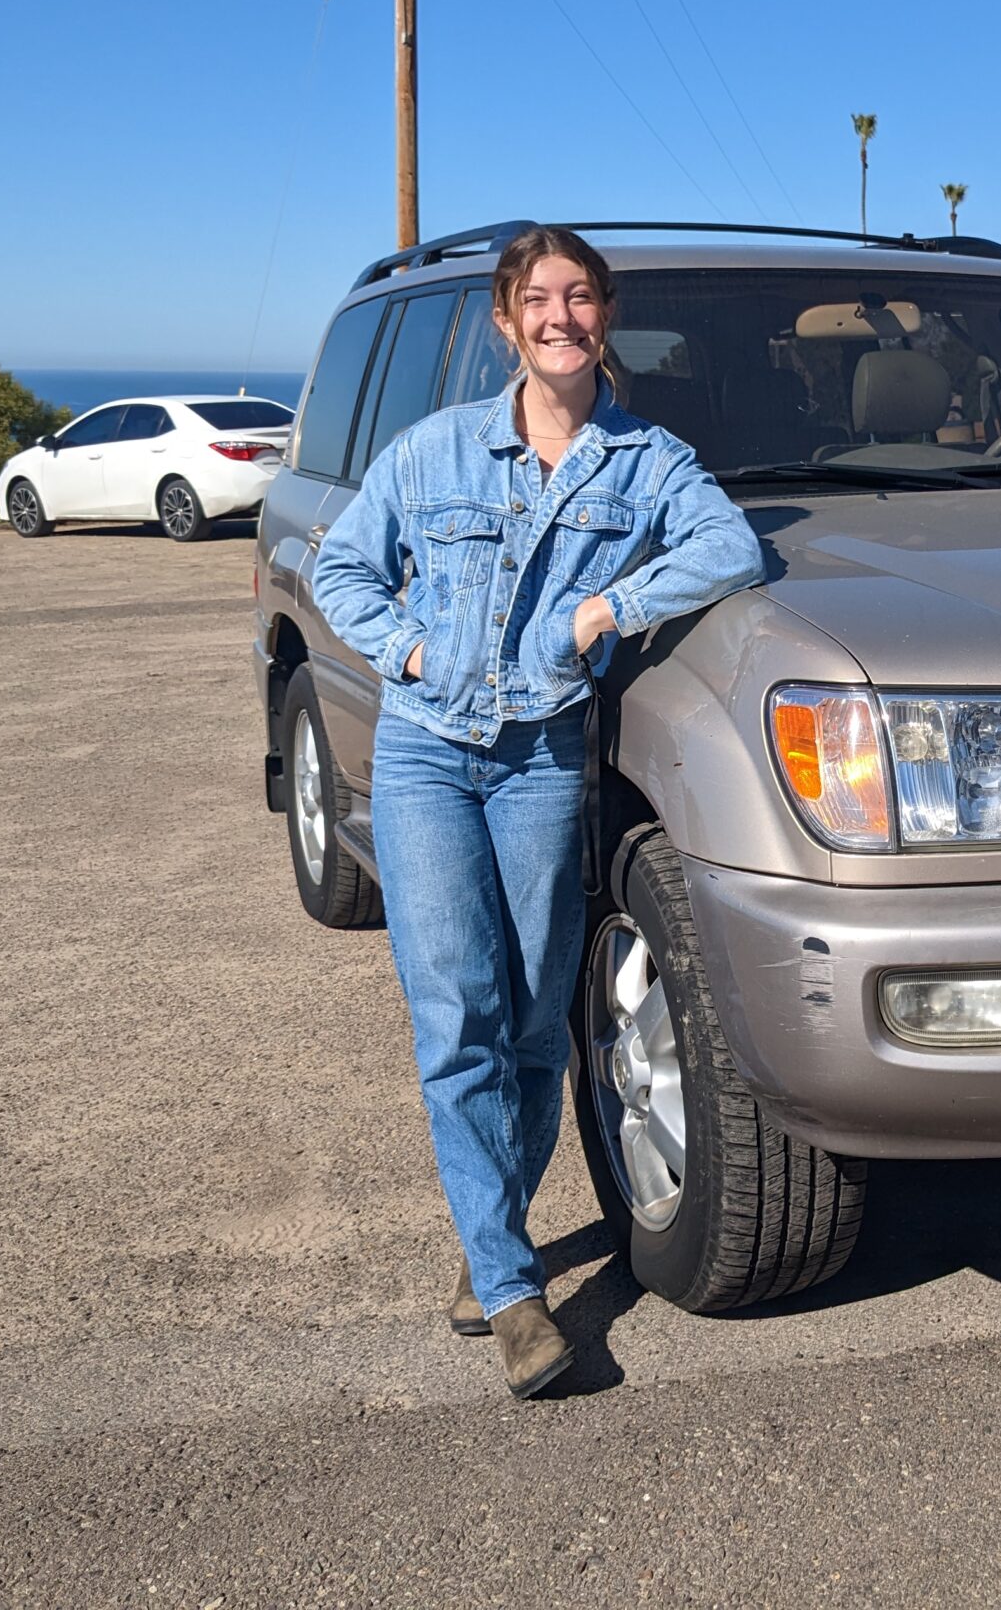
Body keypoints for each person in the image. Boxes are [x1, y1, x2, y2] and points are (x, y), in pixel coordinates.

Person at [310, 226, 764, 1397]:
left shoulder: (645, 461)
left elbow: (731, 546)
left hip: (541, 759)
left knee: (530, 1022)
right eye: (538, 298)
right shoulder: (432, 452)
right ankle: (514, 1293)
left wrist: (602, 609)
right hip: (426, 758)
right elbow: (341, 571)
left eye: (580, 296)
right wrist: (408, 653)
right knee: (457, 1011)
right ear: (507, 322)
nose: (560, 315)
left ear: (603, 317)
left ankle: (485, 1233)